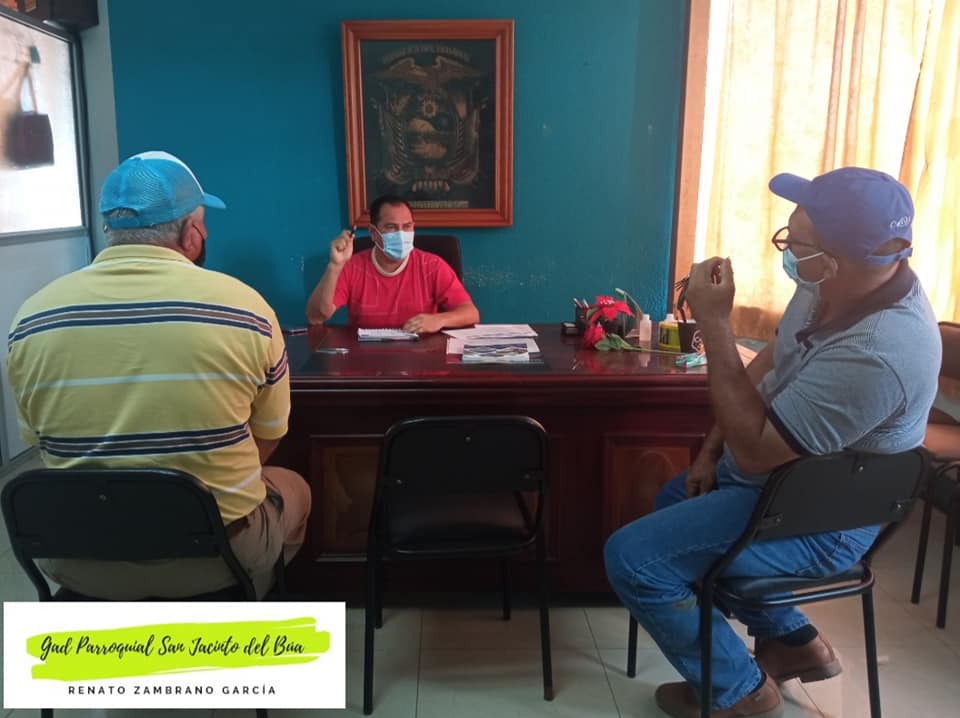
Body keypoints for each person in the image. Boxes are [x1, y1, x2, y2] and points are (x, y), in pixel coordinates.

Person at [604, 167, 940, 718]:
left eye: (795, 244)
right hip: (786, 485)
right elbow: (770, 365)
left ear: (835, 261)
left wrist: (714, 325)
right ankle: (794, 642)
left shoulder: (880, 351)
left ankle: (739, 691)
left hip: (825, 518)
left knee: (633, 558)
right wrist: (711, 450)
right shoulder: (828, 286)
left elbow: (758, 452)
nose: (785, 250)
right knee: (674, 498)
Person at [6, 150, 311, 599]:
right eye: (202, 224)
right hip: (216, 559)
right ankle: (252, 617)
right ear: (191, 235)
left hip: (78, 558)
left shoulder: (30, 319)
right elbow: (269, 434)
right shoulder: (246, 309)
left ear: (109, 231)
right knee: (296, 489)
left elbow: (40, 441)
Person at [306, 195, 479, 331]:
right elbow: (316, 317)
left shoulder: (432, 266)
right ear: (373, 233)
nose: (401, 234)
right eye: (391, 227)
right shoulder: (352, 266)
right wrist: (334, 267)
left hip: (421, 357)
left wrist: (439, 320)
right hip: (366, 358)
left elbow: (471, 313)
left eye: (407, 226)